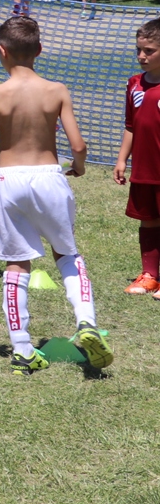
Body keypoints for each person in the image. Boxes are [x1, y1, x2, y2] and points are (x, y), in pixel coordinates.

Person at [0, 16, 113, 374]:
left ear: (1, 51)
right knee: (66, 253)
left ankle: (22, 349)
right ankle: (86, 322)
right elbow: (78, 145)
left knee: (17, 263)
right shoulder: (57, 90)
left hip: (10, 180)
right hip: (49, 176)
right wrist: (79, 166)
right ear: (40, 50)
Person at [115, 18, 160, 296]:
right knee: (149, 219)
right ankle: (150, 275)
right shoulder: (134, 84)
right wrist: (122, 159)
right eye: (138, 50)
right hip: (144, 169)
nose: (142, 56)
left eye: (149, 51)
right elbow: (130, 126)